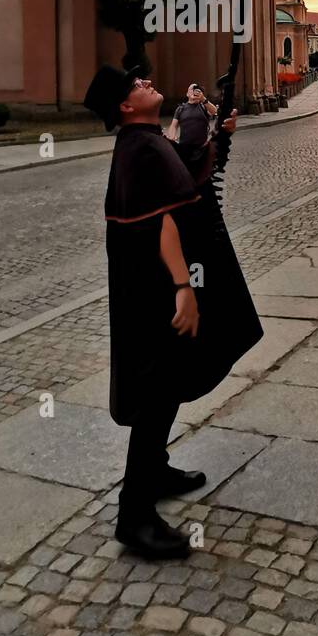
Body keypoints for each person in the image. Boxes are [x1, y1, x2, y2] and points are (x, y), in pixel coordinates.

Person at [83, 63, 263, 560]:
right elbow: (160, 220)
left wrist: (215, 139)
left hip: (150, 289)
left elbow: (185, 170)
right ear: (124, 106)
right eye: (136, 86)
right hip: (157, 292)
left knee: (166, 382)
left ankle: (155, 469)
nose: (146, 84)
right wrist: (184, 288)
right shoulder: (139, 148)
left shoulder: (145, 141)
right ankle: (134, 517)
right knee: (158, 392)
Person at [166, 82, 216, 169]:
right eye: (192, 89)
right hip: (184, 148)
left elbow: (214, 111)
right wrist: (172, 137)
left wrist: (203, 99)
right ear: (187, 94)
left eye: (197, 90)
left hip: (201, 148)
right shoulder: (181, 109)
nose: (194, 92)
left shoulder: (203, 106)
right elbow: (173, 125)